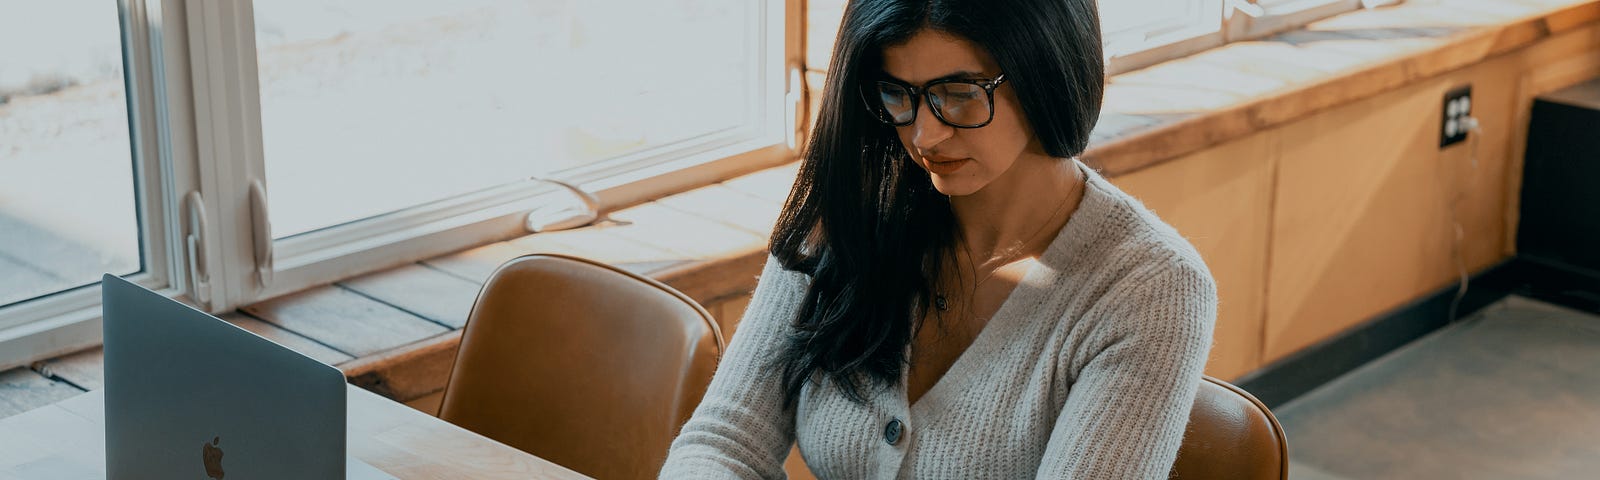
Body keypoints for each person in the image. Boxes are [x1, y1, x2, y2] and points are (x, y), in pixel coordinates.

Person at [660, 0, 1216, 477]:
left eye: (959, 92)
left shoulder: (1152, 292)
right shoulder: (849, 216)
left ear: (1045, 67)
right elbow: (723, 443)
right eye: (897, 93)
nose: (924, 134)